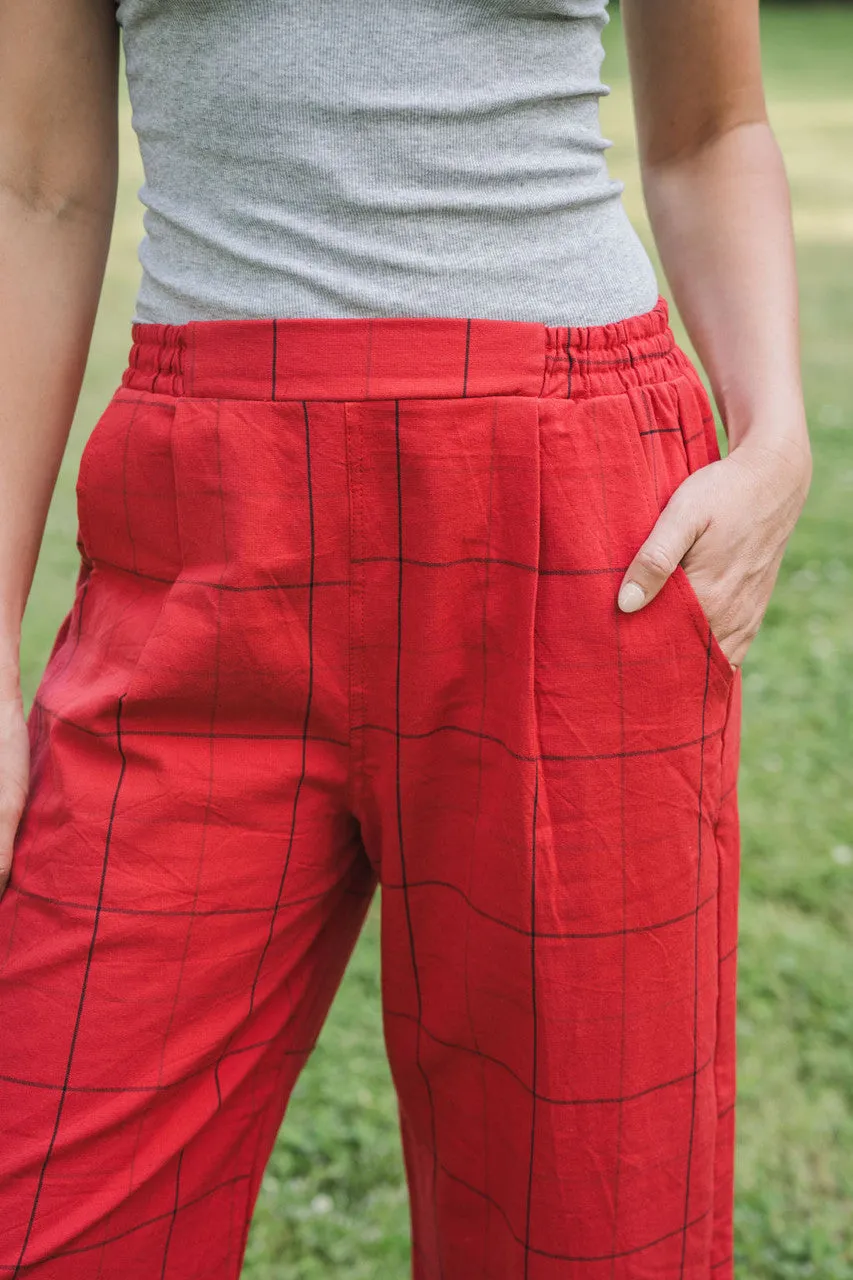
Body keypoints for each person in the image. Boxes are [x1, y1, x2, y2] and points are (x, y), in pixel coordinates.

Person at [0, 0, 812, 1276]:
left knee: (585, 1228)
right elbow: (35, 187)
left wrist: (775, 433)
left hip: (568, 528)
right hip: (205, 523)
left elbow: (711, 129)